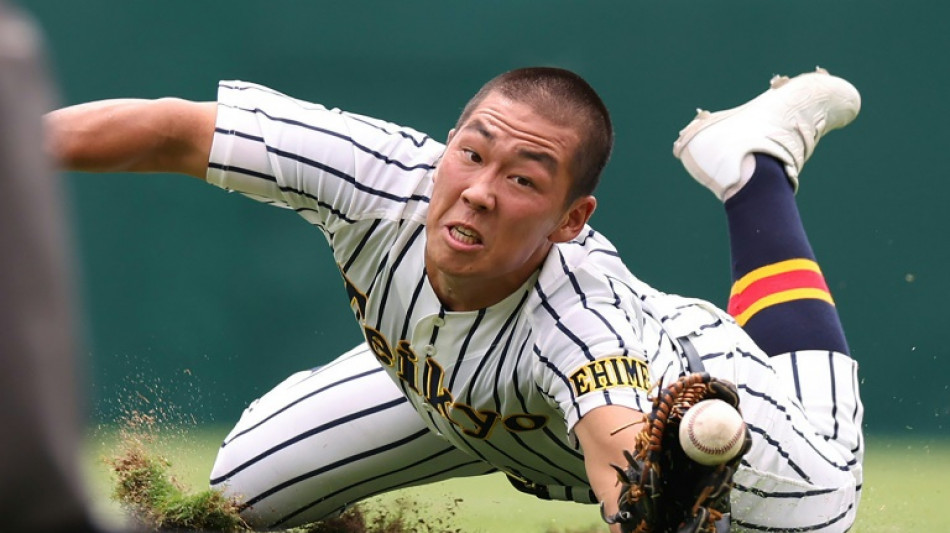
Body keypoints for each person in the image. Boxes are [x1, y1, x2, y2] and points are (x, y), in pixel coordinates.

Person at [46, 65, 864, 532]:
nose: (476, 190)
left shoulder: (583, 323)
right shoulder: (374, 174)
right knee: (229, 497)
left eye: (522, 179)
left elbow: (622, 467)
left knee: (824, 496)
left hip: (696, 395)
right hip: (445, 392)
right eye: (471, 153)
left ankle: (755, 171)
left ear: (572, 220)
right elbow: (171, 130)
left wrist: (648, 514)